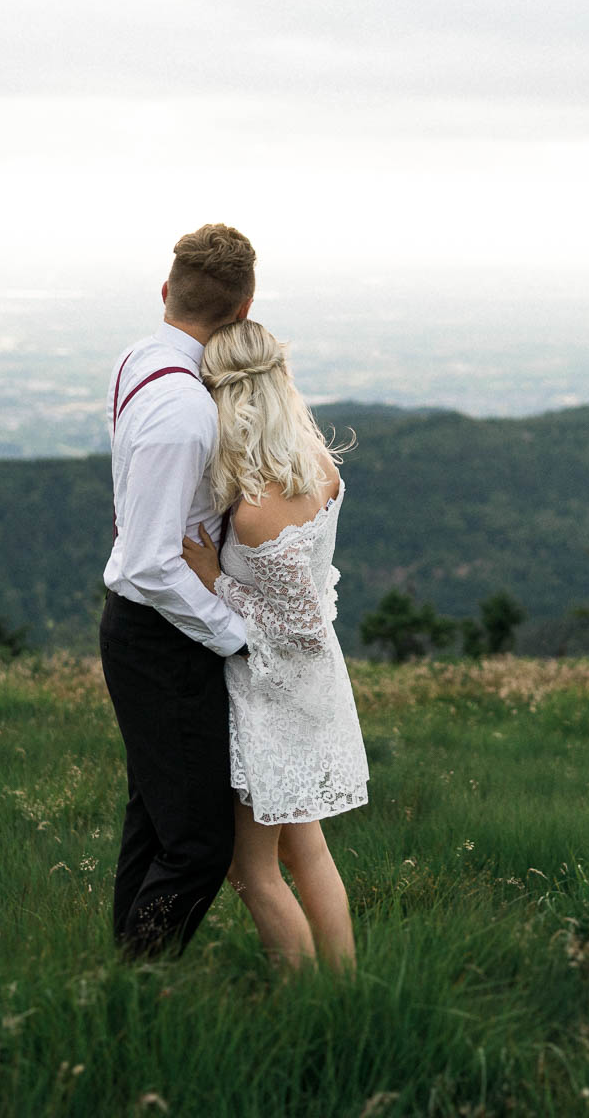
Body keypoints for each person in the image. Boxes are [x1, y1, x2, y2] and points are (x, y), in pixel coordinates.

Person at [178, 319, 366, 973]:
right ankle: (345, 989)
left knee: (251, 869)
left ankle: (310, 1003)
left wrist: (212, 577)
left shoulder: (259, 511)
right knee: (305, 847)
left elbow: (297, 623)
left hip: (276, 695)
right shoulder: (320, 465)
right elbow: (318, 593)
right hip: (314, 685)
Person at [99, 223, 256, 958]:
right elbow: (152, 564)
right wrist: (234, 633)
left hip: (145, 630)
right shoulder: (185, 410)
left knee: (154, 820)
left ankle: (123, 976)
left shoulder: (139, 358)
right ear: (244, 307)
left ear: (167, 292)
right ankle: (140, 973)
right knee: (197, 845)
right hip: (166, 634)